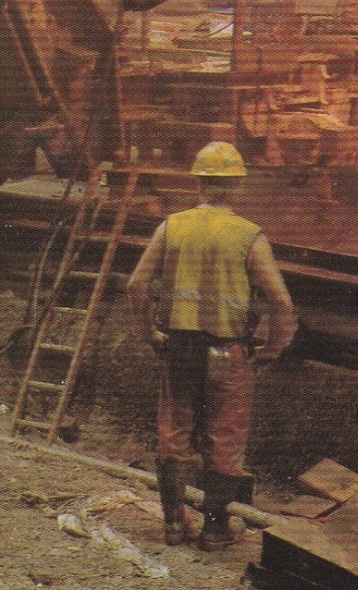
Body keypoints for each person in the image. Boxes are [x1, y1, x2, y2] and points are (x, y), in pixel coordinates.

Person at [125, 141, 297, 551]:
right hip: (227, 353)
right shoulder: (249, 236)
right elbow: (282, 302)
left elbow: (136, 285)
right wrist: (272, 347)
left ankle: (172, 525)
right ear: (238, 186)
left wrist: (151, 333)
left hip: (180, 348)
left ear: (198, 182)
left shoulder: (172, 226)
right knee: (225, 435)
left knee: (175, 433)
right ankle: (215, 529)